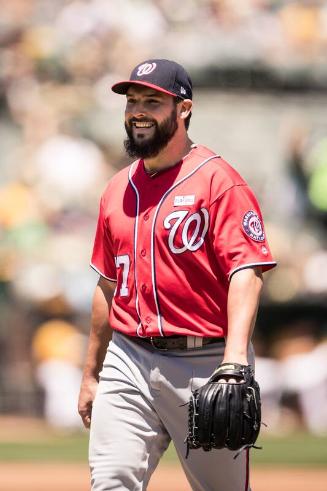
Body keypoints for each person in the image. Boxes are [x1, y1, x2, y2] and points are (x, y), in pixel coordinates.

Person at [78, 59, 276, 491]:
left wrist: (234, 360)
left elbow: (247, 270)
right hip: (128, 358)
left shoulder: (218, 181)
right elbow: (107, 286)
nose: (138, 111)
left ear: (183, 109)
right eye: (132, 102)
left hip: (205, 361)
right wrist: (92, 373)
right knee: (110, 481)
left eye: (152, 100)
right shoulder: (117, 188)